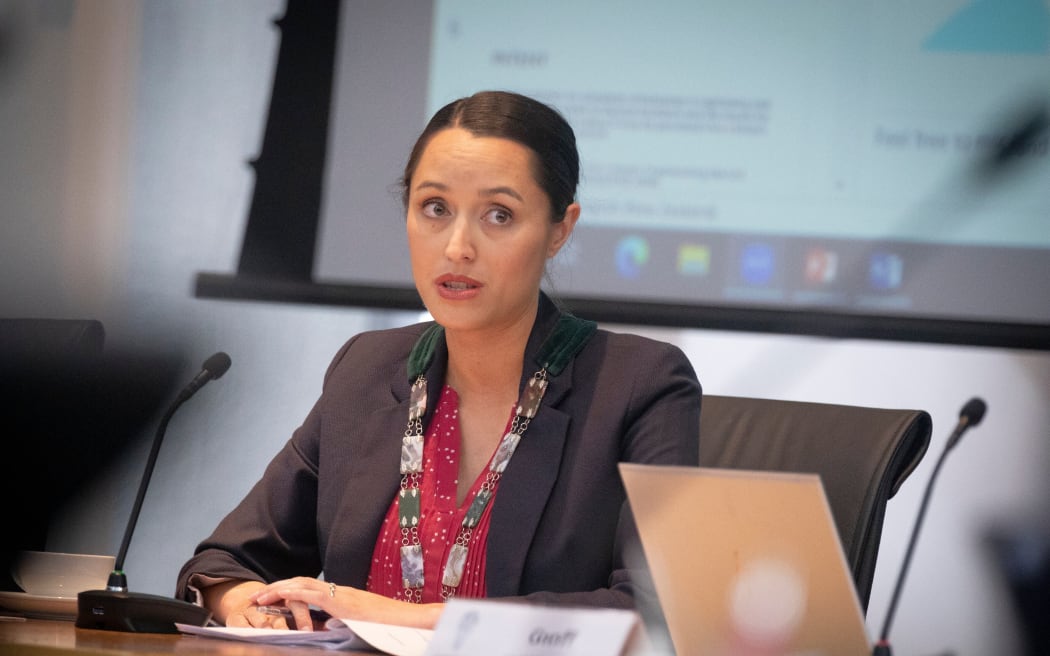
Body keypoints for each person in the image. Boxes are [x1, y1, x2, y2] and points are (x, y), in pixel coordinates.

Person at [175, 90, 701, 632]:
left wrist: (400, 617)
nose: (457, 247)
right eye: (435, 208)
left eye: (499, 214)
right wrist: (243, 603)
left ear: (559, 230)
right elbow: (226, 560)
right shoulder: (368, 369)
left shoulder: (640, 384)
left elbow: (654, 607)